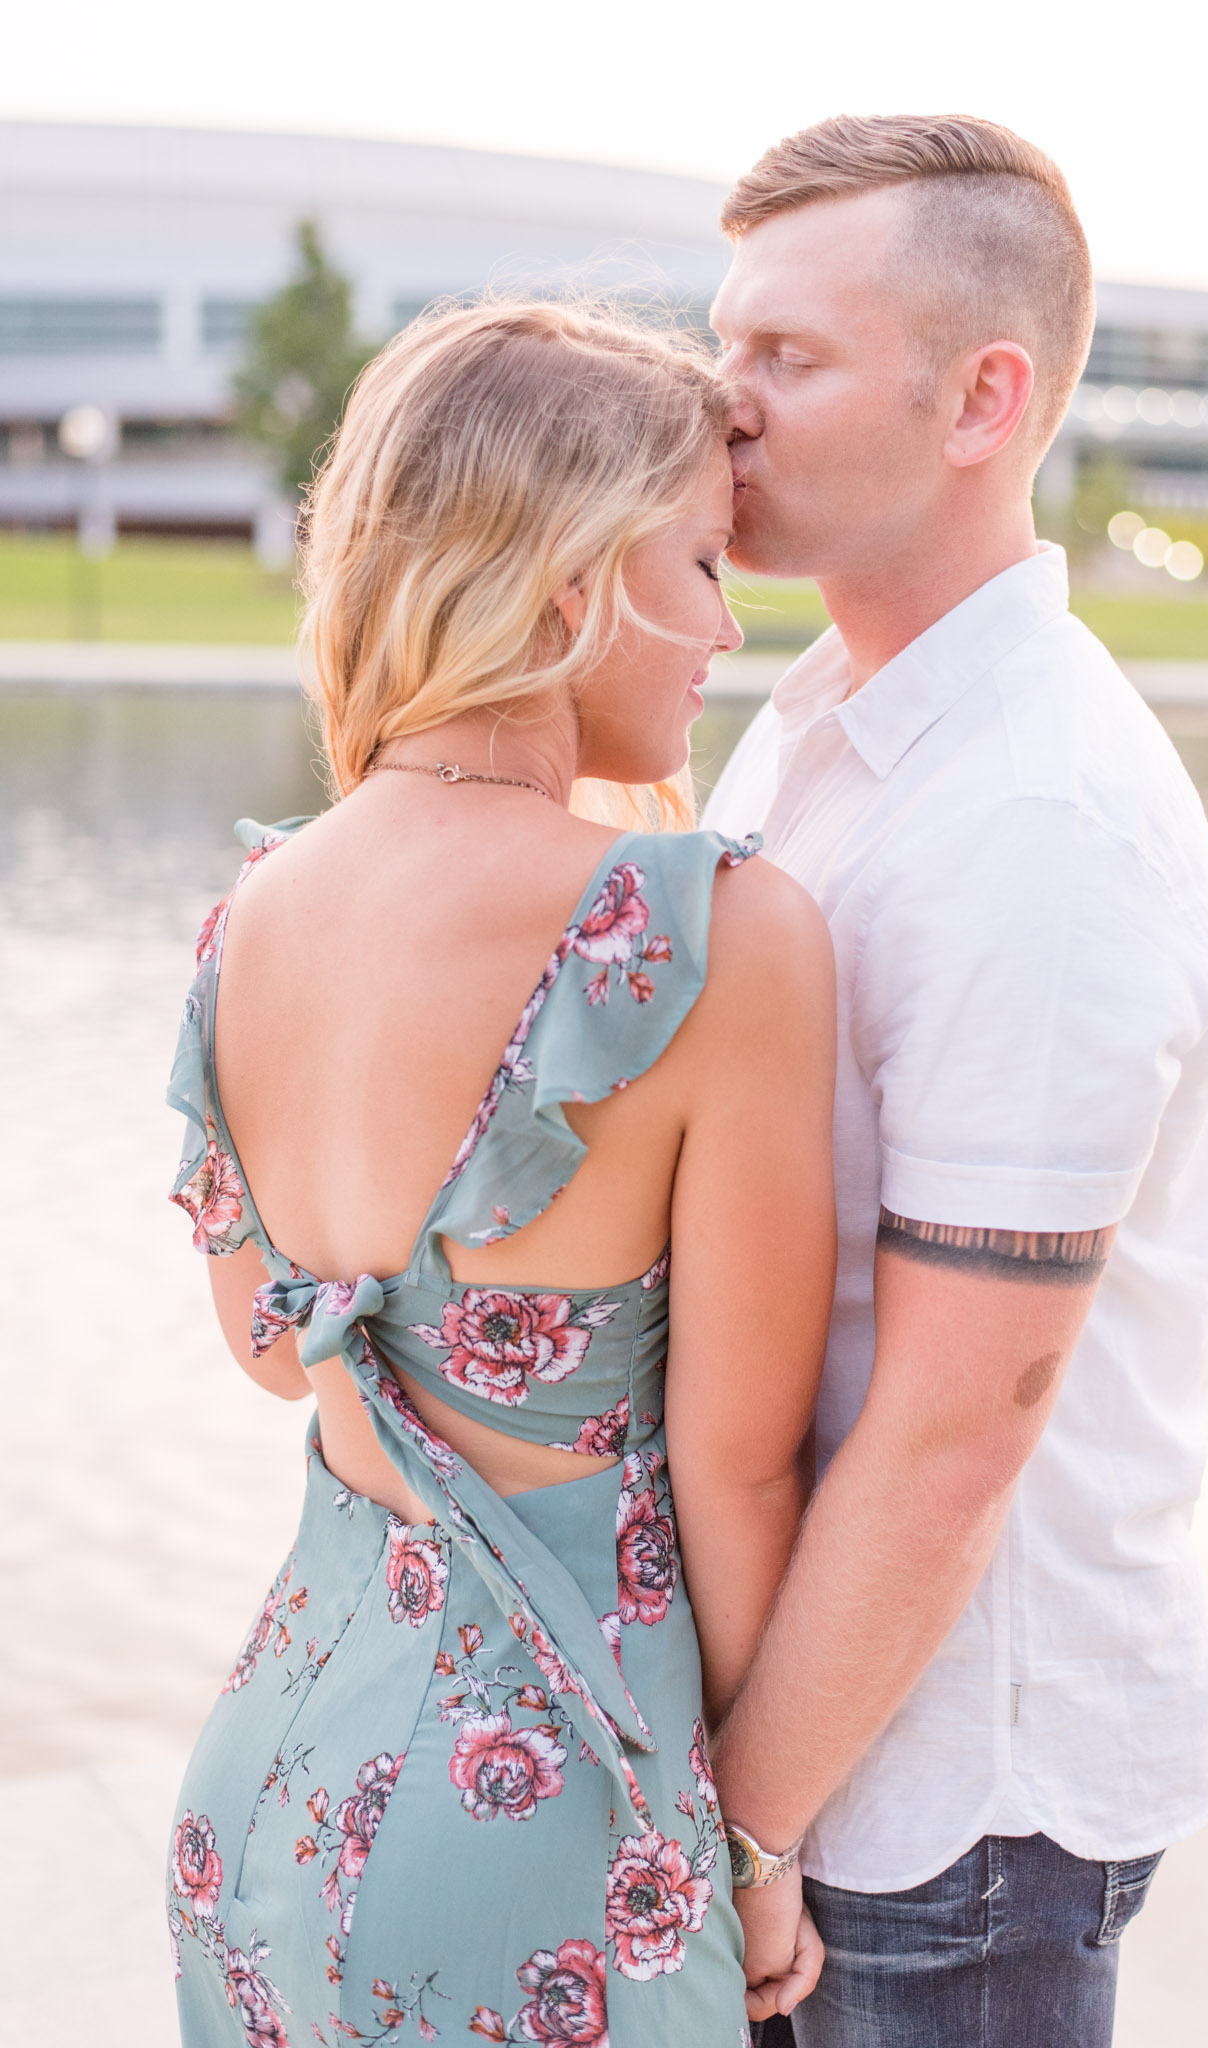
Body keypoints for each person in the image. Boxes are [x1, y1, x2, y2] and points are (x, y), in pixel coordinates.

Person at [164, 299, 833, 2048]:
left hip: (274, 1772)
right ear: (572, 582)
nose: (724, 622)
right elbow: (736, 1469)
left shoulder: (256, 912)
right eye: (696, 560)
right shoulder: (704, 937)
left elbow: (272, 1341)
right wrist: (757, 1841)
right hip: (548, 1812)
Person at [702, 115, 1208, 2048]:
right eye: (724, 341)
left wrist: (741, 1828)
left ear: (982, 399)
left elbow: (955, 1432)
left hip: (942, 1821)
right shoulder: (823, 733)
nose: (723, 402)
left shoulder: (1041, 822)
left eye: (789, 357)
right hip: (825, 1761)